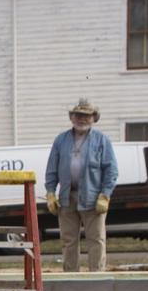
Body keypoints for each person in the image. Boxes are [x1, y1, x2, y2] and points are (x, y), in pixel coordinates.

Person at [45, 98, 119, 273]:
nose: (82, 119)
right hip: (66, 197)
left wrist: (105, 195)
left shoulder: (102, 140)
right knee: (68, 240)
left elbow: (111, 170)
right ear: (71, 117)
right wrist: (50, 193)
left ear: (94, 118)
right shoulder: (61, 140)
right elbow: (52, 169)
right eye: (78, 115)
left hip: (93, 198)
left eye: (87, 116)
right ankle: (71, 276)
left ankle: (97, 276)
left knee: (96, 239)